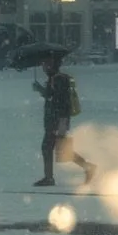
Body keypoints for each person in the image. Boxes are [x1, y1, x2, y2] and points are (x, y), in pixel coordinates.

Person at [30, 47, 95, 189]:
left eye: (46, 64)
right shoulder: (54, 78)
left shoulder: (58, 79)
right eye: (43, 64)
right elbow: (53, 97)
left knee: (49, 148)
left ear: (53, 64)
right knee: (63, 150)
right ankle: (87, 167)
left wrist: (40, 90)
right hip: (56, 120)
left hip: (57, 120)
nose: (44, 67)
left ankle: (49, 178)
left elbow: (56, 99)